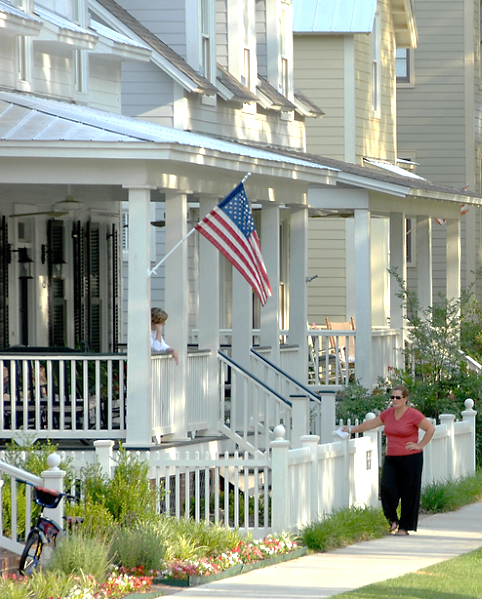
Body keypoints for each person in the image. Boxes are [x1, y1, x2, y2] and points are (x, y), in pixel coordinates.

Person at [343, 384, 435, 536]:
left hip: (411, 458)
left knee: (408, 493)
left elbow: (430, 428)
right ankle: (392, 520)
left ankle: (405, 528)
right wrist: (352, 430)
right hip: (392, 458)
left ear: (405, 399)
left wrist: (420, 445)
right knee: (386, 487)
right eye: (392, 397)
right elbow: (371, 423)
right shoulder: (388, 414)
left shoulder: (413, 414)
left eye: (398, 397)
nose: (394, 400)